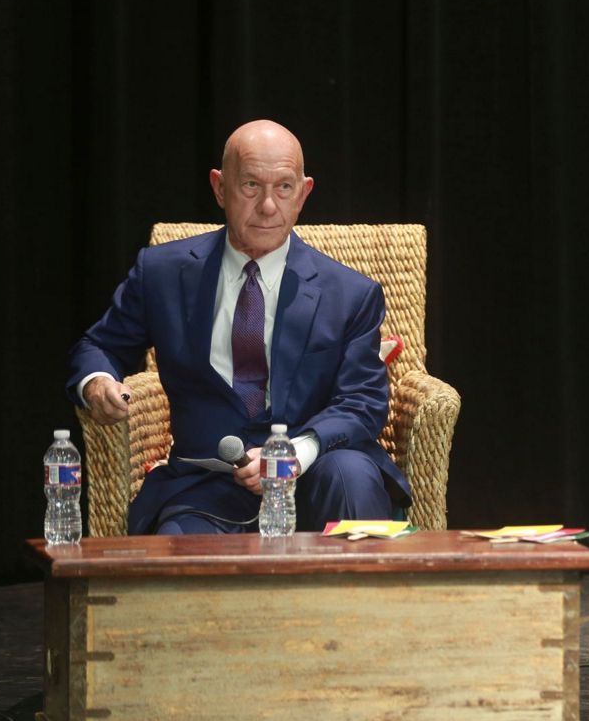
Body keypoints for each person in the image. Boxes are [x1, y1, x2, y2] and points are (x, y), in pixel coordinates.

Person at [66, 119, 409, 534]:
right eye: (250, 185)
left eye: (284, 187)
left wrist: (293, 453)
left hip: (315, 472)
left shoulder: (351, 294)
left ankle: (363, 580)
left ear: (304, 193)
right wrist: (98, 382)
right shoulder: (162, 273)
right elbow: (100, 345)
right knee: (179, 550)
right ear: (219, 187)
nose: (268, 206)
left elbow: (363, 401)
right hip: (204, 485)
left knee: (351, 475)